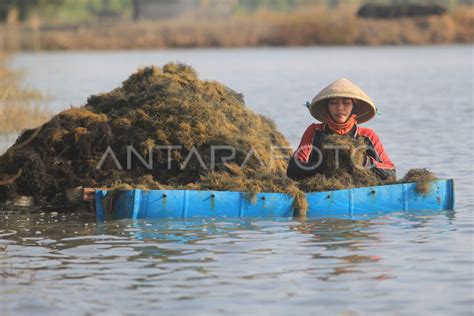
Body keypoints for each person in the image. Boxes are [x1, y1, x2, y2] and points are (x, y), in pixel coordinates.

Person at [287, 78, 396, 181]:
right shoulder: (315, 131)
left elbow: (391, 172)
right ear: (327, 107)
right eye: (333, 103)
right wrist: (323, 165)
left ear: (354, 107)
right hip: (321, 187)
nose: (339, 108)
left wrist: (363, 161)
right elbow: (293, 169)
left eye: (346, 103)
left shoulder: (367, 135)